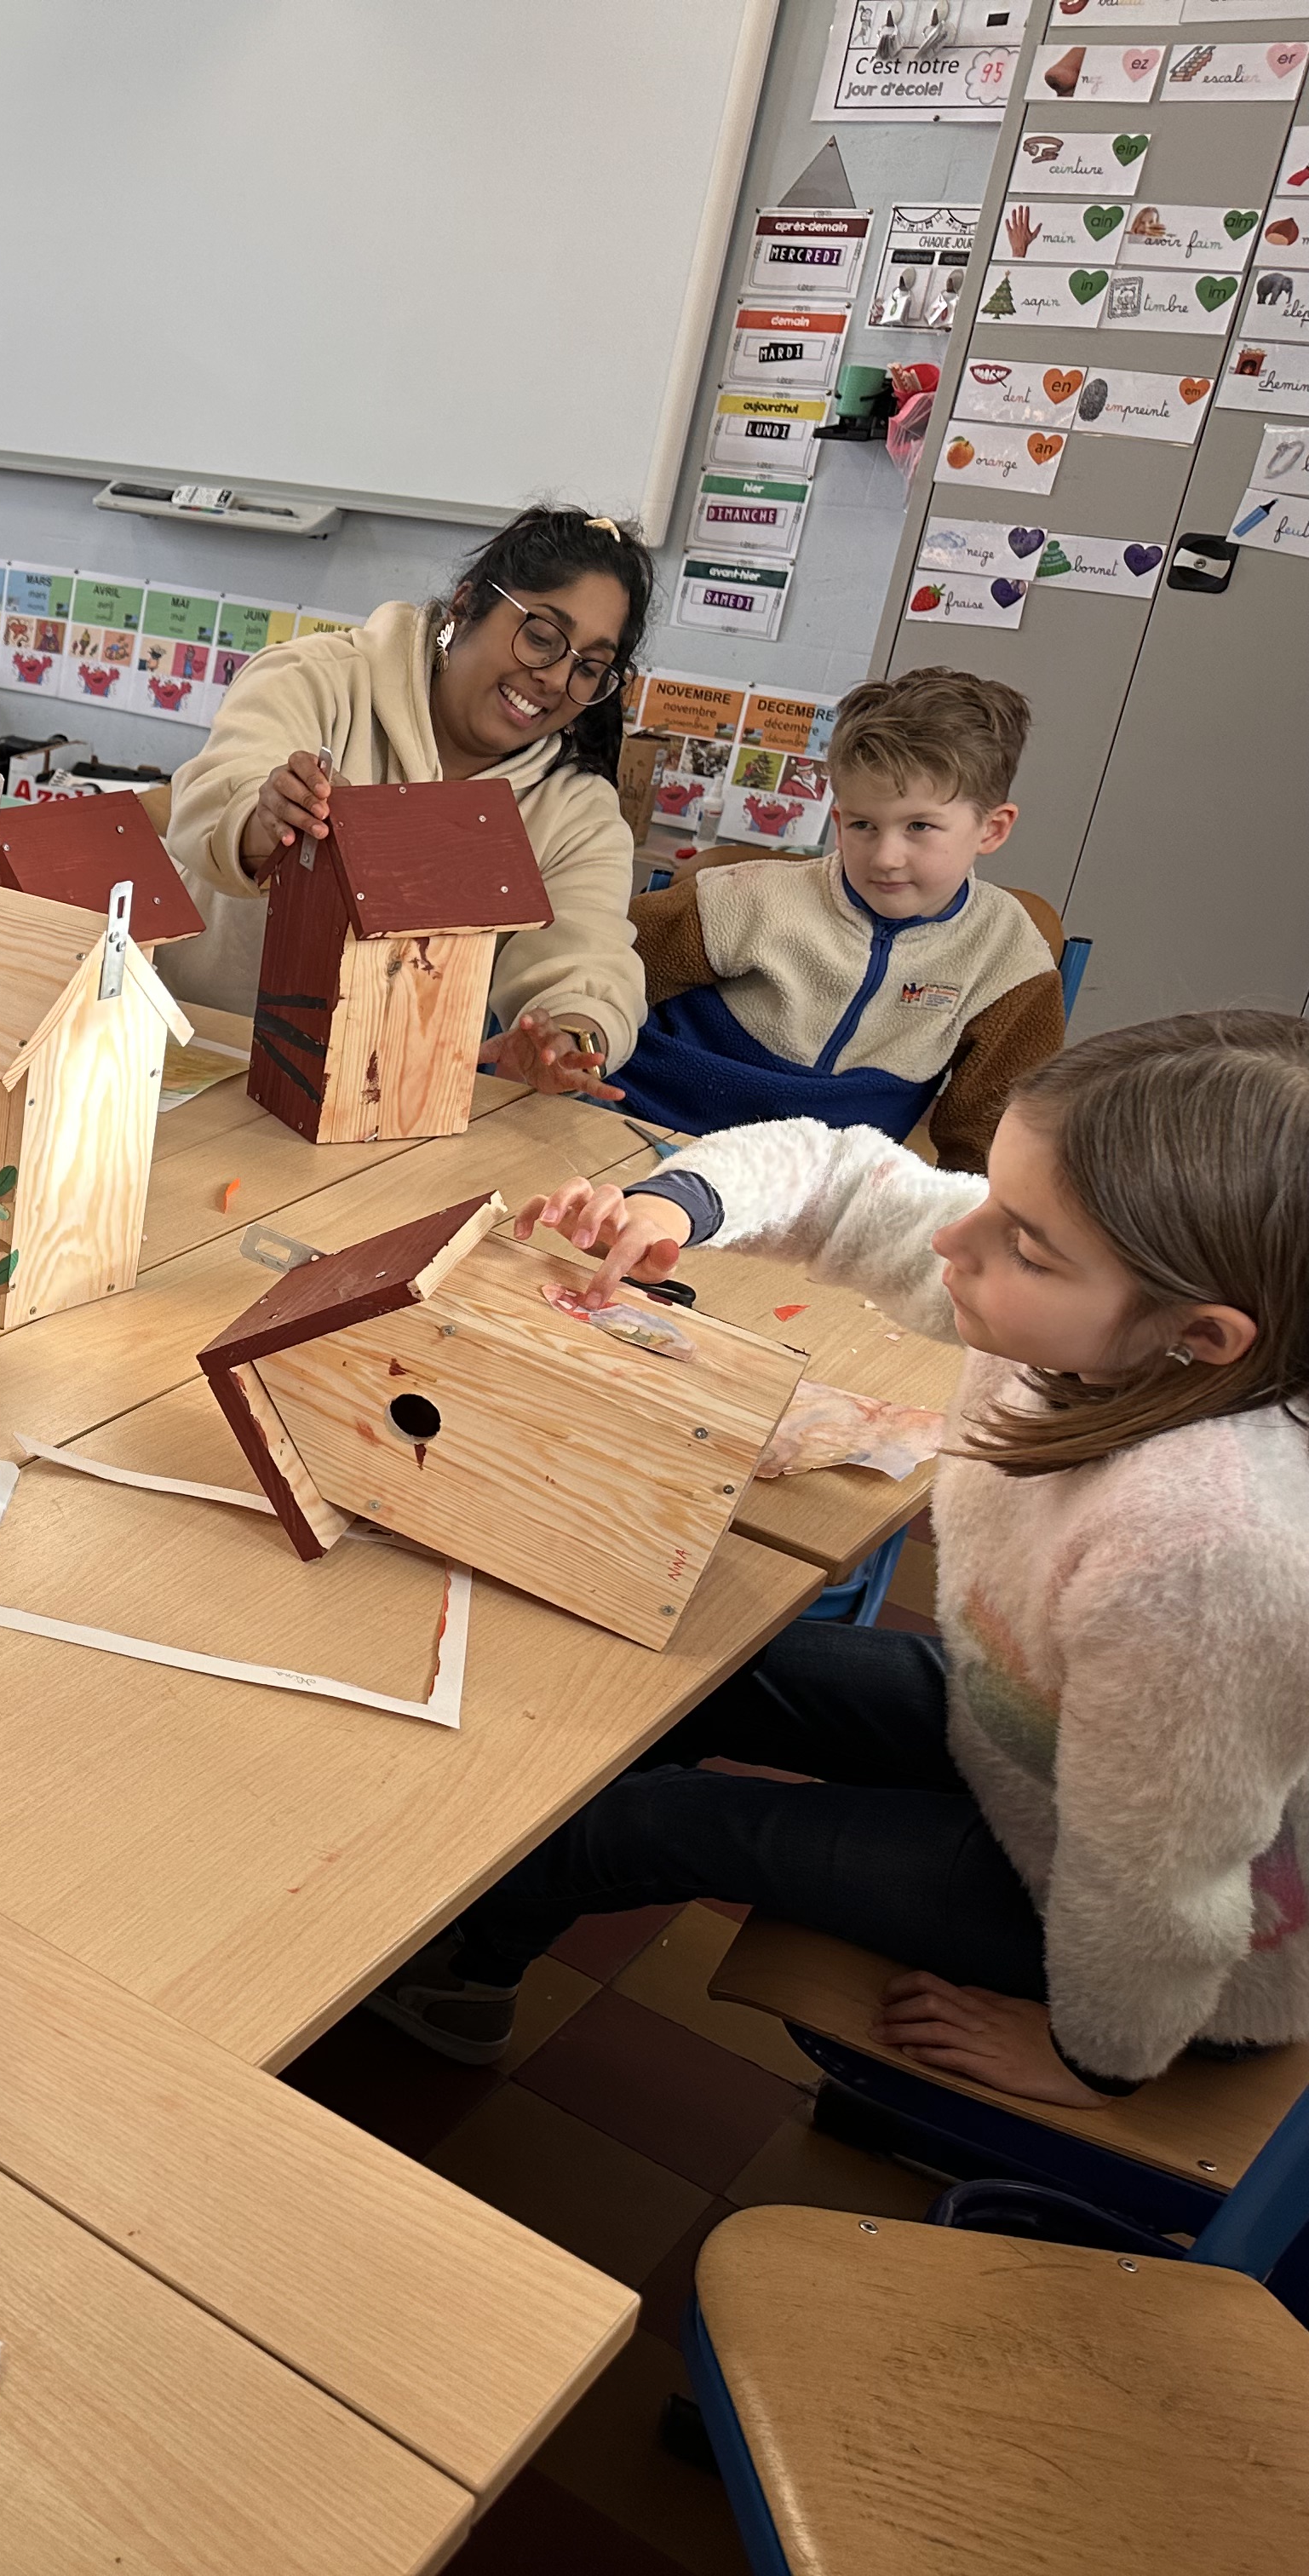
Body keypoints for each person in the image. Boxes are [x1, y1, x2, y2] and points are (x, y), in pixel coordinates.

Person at [367, 1014, 1309, 2106]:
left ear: (1202, 1335)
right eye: (992, 1198)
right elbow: (848, 1178)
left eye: (1026, 1245)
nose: (958, 1241)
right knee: (693, 1677)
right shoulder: (1115, 1314)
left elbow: (1162, 1881)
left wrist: (1092, 2055)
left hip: (1191, 1943)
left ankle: (458, 1986)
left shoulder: (1207, 1560)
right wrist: (674, 1203)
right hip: (1034, 1732)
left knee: (641, 1824)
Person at [152, 506, 653, 1099]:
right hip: (195, 1052)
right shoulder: (318, 680)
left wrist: (569, 1039)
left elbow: (588, 955)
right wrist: (264, 820)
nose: (553, 678)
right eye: (542, 637)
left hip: (380, 1096)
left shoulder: (575, 809)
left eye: (590, 667)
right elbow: (217, 796)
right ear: (465, 607)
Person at [611, 667, 1063, 1171]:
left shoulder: (1010, 957)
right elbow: (597, 961)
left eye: (919, 826)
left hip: (816, 1186)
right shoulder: (749, 897)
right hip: (644, 1127)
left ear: (992, 828)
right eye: (863, 825)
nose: (886, 856)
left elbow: (993, 1137)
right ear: (839, 820)